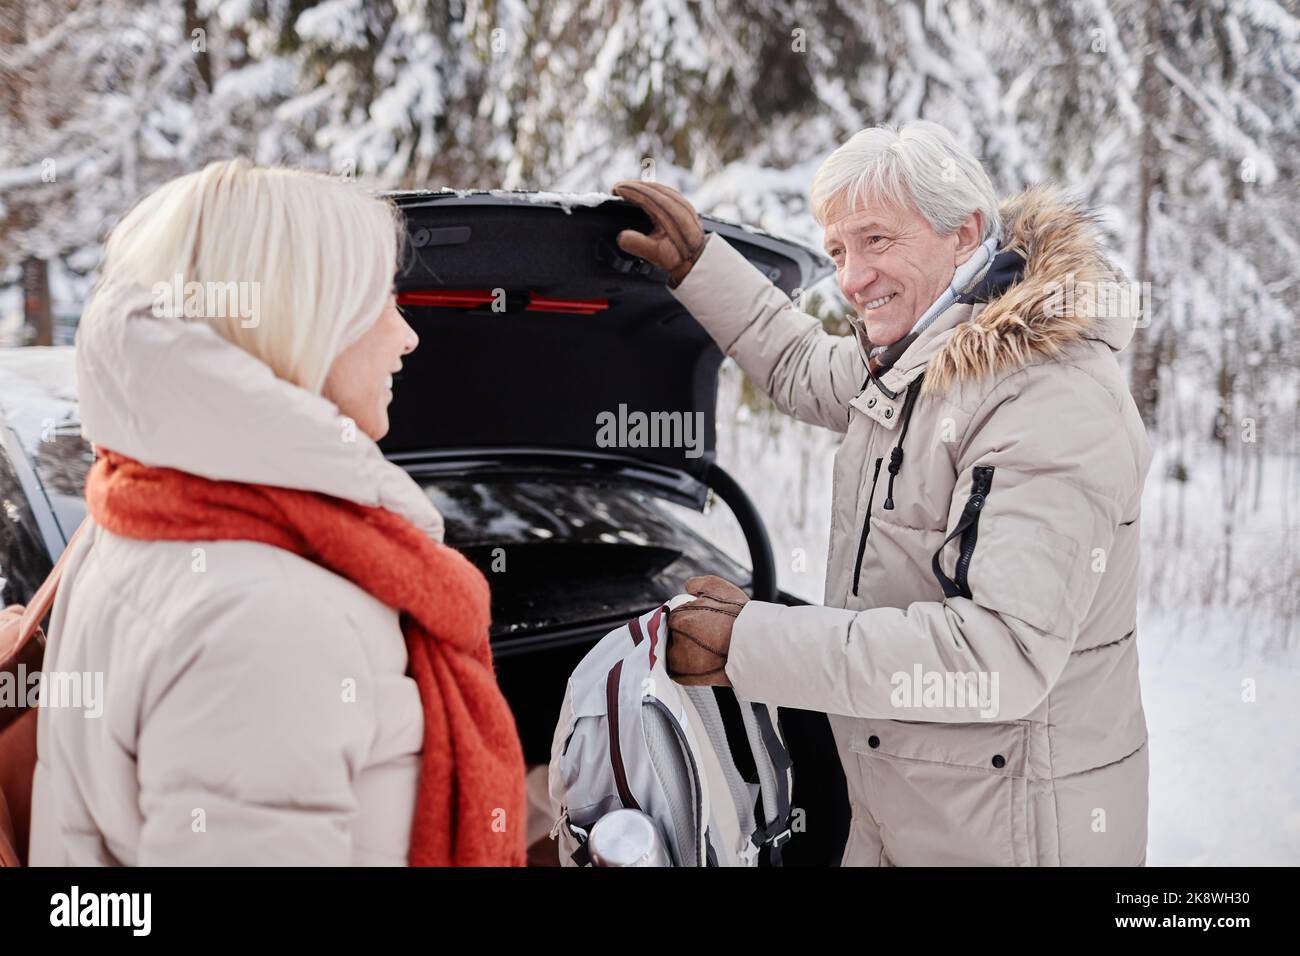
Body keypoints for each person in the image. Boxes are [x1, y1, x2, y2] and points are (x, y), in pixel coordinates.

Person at [614, 120, 1152, 866]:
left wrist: (752, 643)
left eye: (875, 241)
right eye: (837, 251)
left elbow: (997, 656)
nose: (851, 278)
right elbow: (803, 365)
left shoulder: (1049, 398)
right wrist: (701, 265)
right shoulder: (920, 358)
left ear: (963, 235)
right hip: (907, 809)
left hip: (1012, 833)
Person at [29, 159, 526, 866]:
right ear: (306, 317)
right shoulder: (270, 620)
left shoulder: (141, 515)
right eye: (382, 299)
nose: (407, 336)